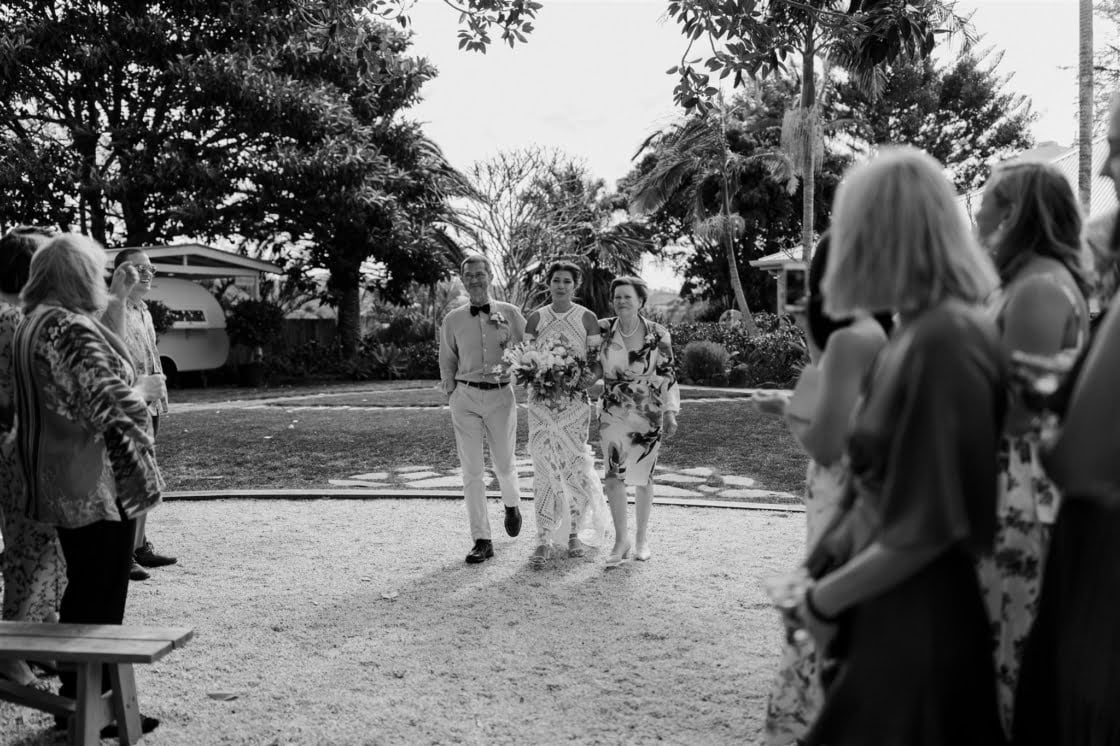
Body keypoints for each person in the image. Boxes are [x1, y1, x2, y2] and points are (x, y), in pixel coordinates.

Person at [793, 147, 1007, 745]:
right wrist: (819, 577)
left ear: (883, 236)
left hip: (916, 618)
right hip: (881, 601)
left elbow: (930, 526)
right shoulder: (915, 329)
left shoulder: (946, 338)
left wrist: (824, 601)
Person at [13, 233, 164, 736]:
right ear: (77, 275)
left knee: (85, 589)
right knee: (100, 597)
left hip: (59, 477)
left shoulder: (33, 322)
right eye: (94, 270)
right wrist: (142, 390)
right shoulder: (69, 328)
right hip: (93, 481)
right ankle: (89, 710)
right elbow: (106, 405)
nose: (100, 278)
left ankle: (83, 703)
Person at [1011, 90, 1120, 746]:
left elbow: (1078, 459)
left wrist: (1055, 415)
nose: (1104, 166)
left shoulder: (1040, 288)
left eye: (1119, 148)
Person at [971, 159, 1090, 731]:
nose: (977, 213)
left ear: (1013, 213)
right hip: (1007, 484)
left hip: (1015, 492)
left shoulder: (1039, 288)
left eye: (986, 201)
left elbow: (1017, 410)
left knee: (1006, 659)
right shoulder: (1026, 281)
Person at [759, 233, 890, 746]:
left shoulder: (850, 340)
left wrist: (786, 412)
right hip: (867, 483)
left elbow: (826, 444)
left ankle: (817, 716)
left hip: (840, 484)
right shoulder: (884, 329)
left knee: (825, 585)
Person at [0, 225, 65, 689]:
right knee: (31, 546)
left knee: (42, 545)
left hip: (21, 444)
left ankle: (38, 638)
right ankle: (11, 652)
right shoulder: (12, 320)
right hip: (17, 449)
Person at [438, 255, 526, 564]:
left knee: (504, 463)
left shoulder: (510, 313)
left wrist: (521, 373)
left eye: (480, 273)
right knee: (472, 471)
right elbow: (447, 358)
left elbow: (527, 350)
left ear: (489, 276)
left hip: (501, 396)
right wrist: (453, 392)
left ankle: (512, 504)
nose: (474, 279)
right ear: (463, 279)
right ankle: (482, 539)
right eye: (469, 275)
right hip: (466, 398)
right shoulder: (452, 319)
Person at [523, 261, 609, 568]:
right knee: (543, 468)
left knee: (574, 467)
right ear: (549, 283)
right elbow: (526, 360)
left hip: (574, 405)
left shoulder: (587, 318)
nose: (561, 285)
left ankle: (574, 532)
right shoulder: (536, 318)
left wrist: (583, 380)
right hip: (541, 406)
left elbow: (597, 364)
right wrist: (535, 374)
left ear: (575, 285)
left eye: (567, 281)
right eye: (556, 280)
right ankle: (543, 537)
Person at [103, 248, 176, 582]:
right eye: (139, 269)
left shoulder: (144, 310)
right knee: (126, 477)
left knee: (146, 473)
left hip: (150, 403)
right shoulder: (110, 307)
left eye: (151, 269)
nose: (147, 275)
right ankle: (123, 554)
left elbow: (151, 355)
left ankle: (139, 544)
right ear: (121, 272)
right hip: (126, 402)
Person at [597, 276, 680, 568]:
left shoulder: (658, 333)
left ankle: (642, 539)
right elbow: (589, 362)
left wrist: (670, 411)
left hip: (647, 409)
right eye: (617, 297)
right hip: (612, 409)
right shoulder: (602, 329)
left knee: (644, 475)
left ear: (640, 301)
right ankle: (621, 540)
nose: (621, 301)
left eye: (627, 297)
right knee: (613, 474)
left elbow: (668, 374)